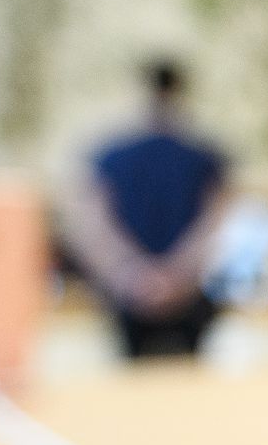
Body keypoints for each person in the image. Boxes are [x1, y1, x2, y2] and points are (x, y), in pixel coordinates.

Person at [73, 58, 232, 358]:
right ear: (179, 91)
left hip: (132, 292)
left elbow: (95, 224)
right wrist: (177, 274)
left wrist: (132, 273)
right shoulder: (204, 157)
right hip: (185, 291)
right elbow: (215, 221)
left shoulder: (109, 157)